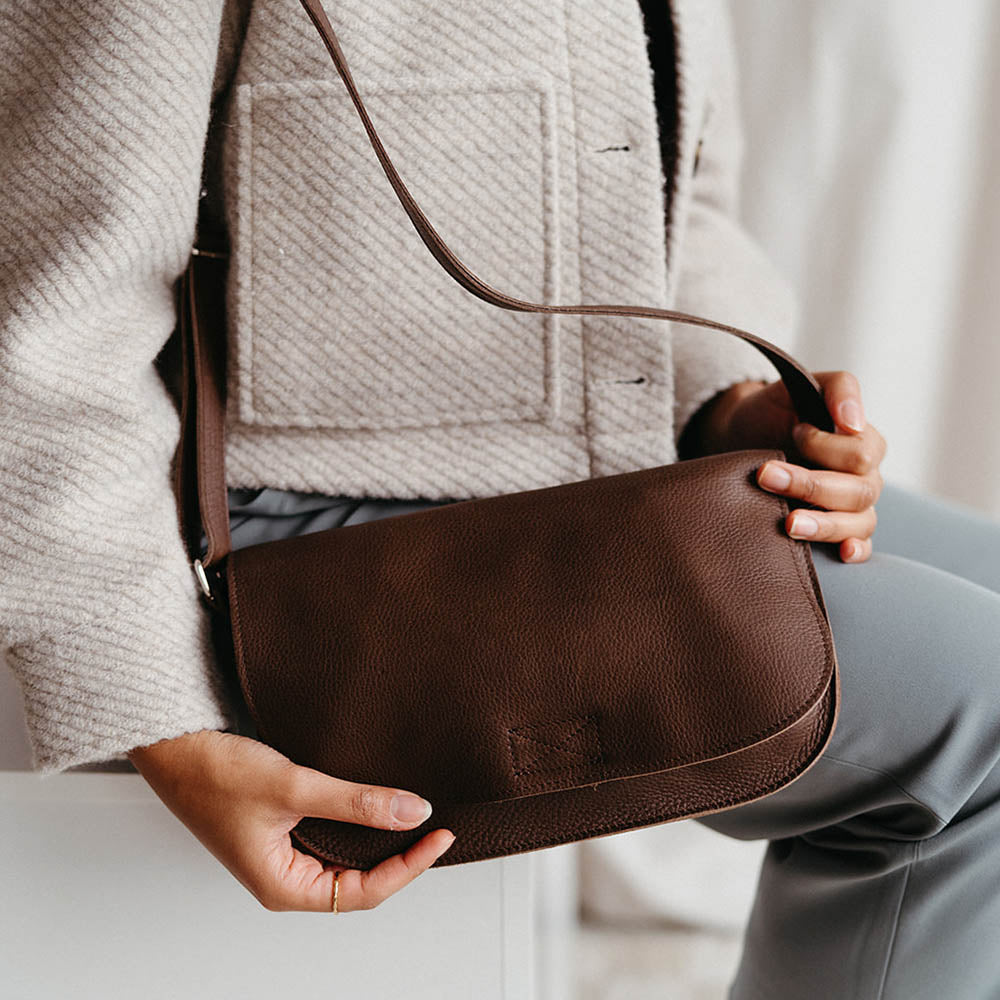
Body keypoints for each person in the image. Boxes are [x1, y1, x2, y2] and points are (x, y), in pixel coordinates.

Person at [1, 1, 997, 996]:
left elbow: (674, 191)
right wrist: (157, 718)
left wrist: (721, 404)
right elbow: (47, 314)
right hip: (306, 546)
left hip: (592, 479)